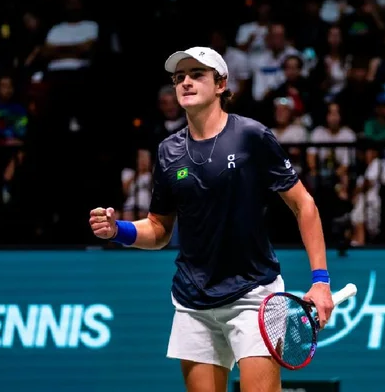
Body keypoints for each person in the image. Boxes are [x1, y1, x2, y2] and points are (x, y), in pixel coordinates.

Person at [88, 46, 335, 392]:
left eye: (197, 75)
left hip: (255, 296)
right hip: (192, 303)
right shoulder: (168, 151)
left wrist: (321, 281)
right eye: (179, 78)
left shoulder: (252, 136)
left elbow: (304, 205)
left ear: (220, 84)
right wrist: (119, 231)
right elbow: (159, 230)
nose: (185, 83)